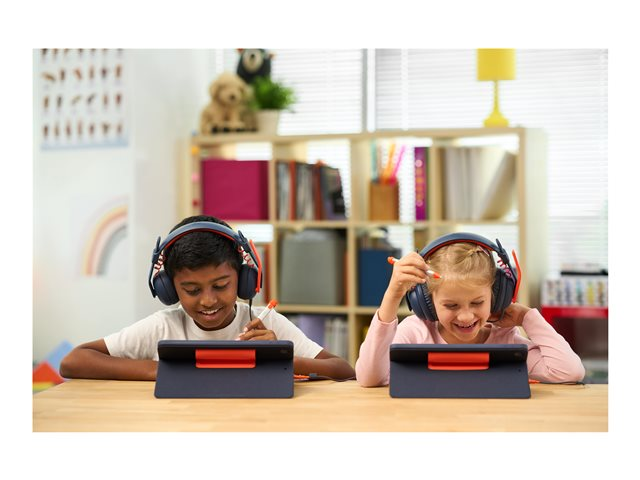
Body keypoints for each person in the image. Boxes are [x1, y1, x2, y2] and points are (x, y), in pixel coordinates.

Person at [61, 215, 355, 381]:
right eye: (192, 290)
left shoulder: (263, 323)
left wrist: (280, 356)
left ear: (244, 279)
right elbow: (74, 361)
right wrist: (160, 369)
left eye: (221, 285)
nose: (208, 300)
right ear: (168, 288)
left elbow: (343, 371)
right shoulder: (164, 327)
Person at [355, 233, 585, 387]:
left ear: (496, 297)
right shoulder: (415, 333)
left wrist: (527, 317)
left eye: (477, 303)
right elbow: (369, 378)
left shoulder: (504, 340)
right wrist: (392, 295)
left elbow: (569, 372)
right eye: (451, 305)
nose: (465, 316)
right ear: (426, 301)